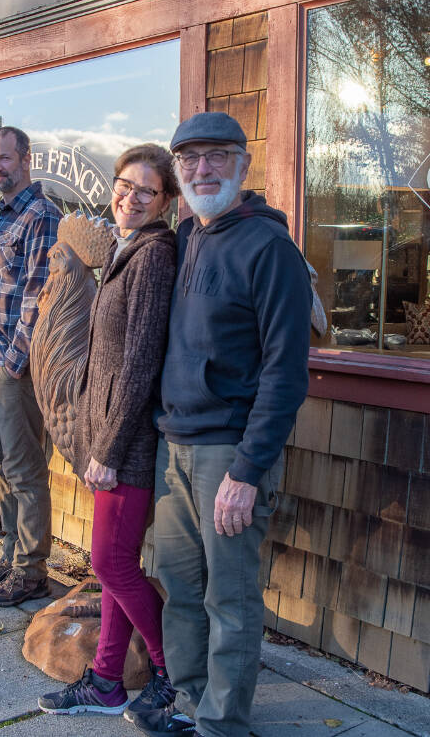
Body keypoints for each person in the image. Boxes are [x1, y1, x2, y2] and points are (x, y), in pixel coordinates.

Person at [146, 112, 312, 737]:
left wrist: (247, 471)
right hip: (175, 447)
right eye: (189, 158)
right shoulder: (186, 237)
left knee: (231, 599)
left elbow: (285, 374)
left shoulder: (270, 251)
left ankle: (224, 724)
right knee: (182, 588)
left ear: (243, 164)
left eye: (216, 156)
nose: (201, 168)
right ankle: (193, 702)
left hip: (228, 453)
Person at [38, 144, 179, 720]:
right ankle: (105, 681)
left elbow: (141, 362)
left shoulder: (152, 257)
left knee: (108, 564)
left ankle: (171, 670)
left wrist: (109, 449)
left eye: (147, 190)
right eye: (126, 184)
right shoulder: (129, 250)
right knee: (118, 563)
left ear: (165, 201)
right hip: (112, 441)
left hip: (128, 445)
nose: (131, 196)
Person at [0, 125, 63, 606]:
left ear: (26, 159)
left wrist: (13, 362)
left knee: (25, 470)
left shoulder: (41, 215)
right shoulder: (2, 216)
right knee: (2, 466)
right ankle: (11, 557)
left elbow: (38, 296)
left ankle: (31, 572)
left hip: (13, 368)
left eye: (3, 158)